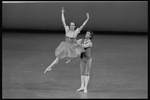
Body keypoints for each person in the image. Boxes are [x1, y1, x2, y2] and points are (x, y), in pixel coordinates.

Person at [44, 7, 89, 73]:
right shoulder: (67, 29)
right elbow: (63, 21)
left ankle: (70, 59)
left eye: (73, 25)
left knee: (78, 53)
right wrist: (62, 13)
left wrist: (87, 19)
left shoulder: (76, 31)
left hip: (72, 46)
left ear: (75, 26)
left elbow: (83, 25)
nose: (71, 26)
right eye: (71, 25)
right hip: (65, 45)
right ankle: (49, 67)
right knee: (58, 57)